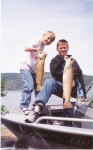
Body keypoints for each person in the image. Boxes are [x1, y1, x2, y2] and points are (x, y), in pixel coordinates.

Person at [25, 39, 86, 123]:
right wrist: (62, 60)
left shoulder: (73, 62)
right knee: (49, 82)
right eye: (61, 48)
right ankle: (36, 109)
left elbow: (80, 77)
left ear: (68, 48)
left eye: (65, 47)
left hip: (70, 92)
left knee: (69, 114)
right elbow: (55, 73)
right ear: (57, 49)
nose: (63, 49)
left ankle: (68, 126)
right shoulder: (54, 60)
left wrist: (83, 93)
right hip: (60, 87)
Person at [20, 31, 56, 115]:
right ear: (44, 35)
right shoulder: (36, 40)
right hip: (26, 66)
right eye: (48, 38)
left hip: (34, 70)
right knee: (28, 86)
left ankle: (37, 105)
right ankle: (24, 106)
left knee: (38, 88)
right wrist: (36, 49)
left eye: (50, 41)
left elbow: (38, 59)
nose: (48, 41)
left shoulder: (43, 46)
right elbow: (26, 48)